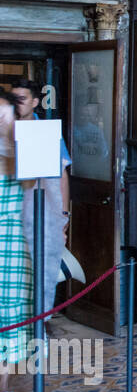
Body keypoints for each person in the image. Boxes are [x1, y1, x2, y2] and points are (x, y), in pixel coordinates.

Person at [9, 79, 70, 318]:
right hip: (10, 214)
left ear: (35, 102)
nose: (16, 105)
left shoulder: (45, 132)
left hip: (38, 214)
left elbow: (60, 175)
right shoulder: (5, 128)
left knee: (40, 268)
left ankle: (37, 323)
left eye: (21, 99)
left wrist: (62, 215)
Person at [0, 95, 33, 392]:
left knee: (11, 315)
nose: (3, 122)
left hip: (10, 240)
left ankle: (3, 388)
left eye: (7, 115)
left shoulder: (21, 152)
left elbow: (32, 182)